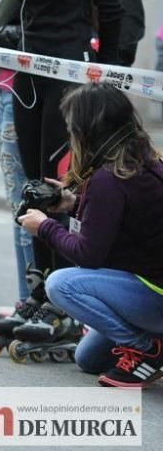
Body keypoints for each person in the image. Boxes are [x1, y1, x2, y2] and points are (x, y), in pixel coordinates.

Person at [0, 0, 124, 341]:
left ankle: (59, 298)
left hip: (67, 79)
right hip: (27, 73)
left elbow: (109, 6)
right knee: (31, 182)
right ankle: (37, 292)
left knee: (53, 184)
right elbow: (26, 5)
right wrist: (7, 37)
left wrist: (105, 75)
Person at [18, 84, 163, 388]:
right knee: (89, 358)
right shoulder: (145, 163)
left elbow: (89, 255)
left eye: (72, 127)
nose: (70, 134)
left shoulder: (108, 180)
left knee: (61, 284)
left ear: (89, 130)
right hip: (151, 291)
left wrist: (44, 226)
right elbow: (120, 233)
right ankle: (148, 343)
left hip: (154, 297)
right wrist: (72, 205)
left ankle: (148, 350)